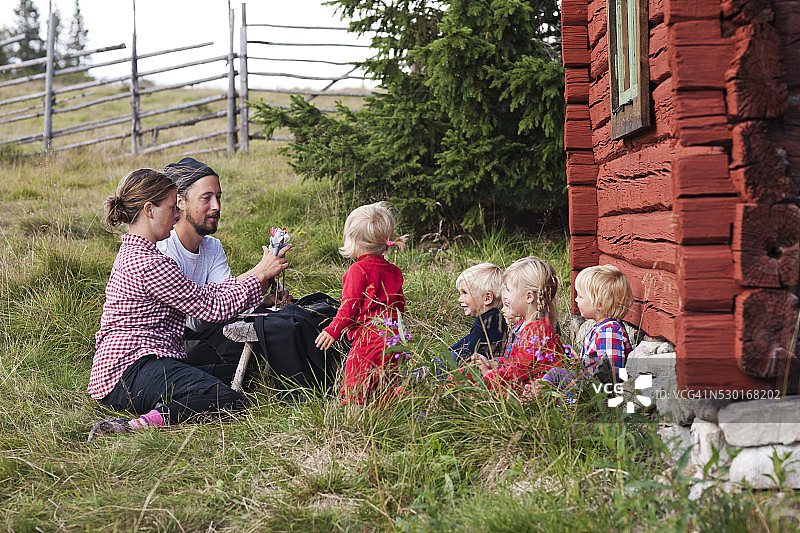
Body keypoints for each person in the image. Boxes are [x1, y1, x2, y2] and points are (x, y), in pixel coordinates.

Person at [87, 168, 290, 440]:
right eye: (172, 207)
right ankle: (133, 427)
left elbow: (205, 293)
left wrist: (260, 281)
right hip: (129, 372)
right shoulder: (149, 263)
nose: (176, 214)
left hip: (143, 366)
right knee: (228, 399)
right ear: (149, 210)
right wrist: (260, 274)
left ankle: (167, 404)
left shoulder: (141, 253)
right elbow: (211, 307)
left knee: (245, 375)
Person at [157, 157, 287, 366]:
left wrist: (264, 302)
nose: (216, 206)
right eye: (206, 198)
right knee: (196, 353)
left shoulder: (213, 246)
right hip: (170, 342)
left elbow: (226, 306)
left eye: (218, 197)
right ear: (180, 201)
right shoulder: (164, 251)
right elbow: (196, 319)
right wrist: (259, 273)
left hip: (207, 330)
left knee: (267, 332)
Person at [314, 202, 406, 404]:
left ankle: (354, 424)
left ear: (354, 241)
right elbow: (399, 305)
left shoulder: (358, 270)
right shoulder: (393, 271)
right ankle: (386, 419)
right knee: (386, 383)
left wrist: (333, 330)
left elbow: (349, 306)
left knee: (356, 382)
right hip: (394, 337)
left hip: (369, 339)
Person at [473, 256, 564, 392]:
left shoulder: (538, 331)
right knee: (469, 370)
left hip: (530, 388)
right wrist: (492, 363)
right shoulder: (523, 324)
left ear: (529, 297)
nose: (505, 295)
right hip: (517, 379)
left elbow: (517, 371)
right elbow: (512, 360)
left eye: (508, 290)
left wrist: (488, 374)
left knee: (473, 388)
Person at [450, 263, 507, 365]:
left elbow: (468, 354)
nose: (460, 299)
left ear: (487, 298)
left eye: (465, 293)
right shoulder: (500, 318)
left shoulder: (482, 322)